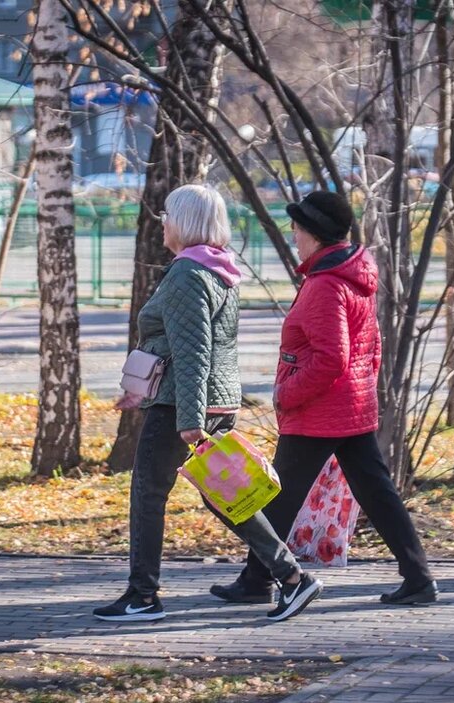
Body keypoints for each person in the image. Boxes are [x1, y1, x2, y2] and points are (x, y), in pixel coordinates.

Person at [94, 184, 323, 623]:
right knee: (225, 495)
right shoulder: (220, 270)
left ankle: (142, 596)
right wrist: (145, 389)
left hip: (183, 406)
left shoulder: (186, 274)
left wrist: (189, 418)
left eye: (168, 215)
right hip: (208, 400)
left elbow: (194, 351)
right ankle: (293, 578)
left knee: (148, 494)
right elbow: (192, 345)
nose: (162, 223)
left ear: (183, 221)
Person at [210, 190, 437, 606]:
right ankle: (418, 576)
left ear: (314, 233)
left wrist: (286, 393)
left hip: (320, 409)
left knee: (276, 496)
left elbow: (332, 357)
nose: (294, 236)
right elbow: (370, 348)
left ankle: (257, 580)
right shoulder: (353, 274)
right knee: (375, 492)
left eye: (297, 228)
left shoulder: (327, 285)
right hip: (351, 405)